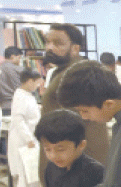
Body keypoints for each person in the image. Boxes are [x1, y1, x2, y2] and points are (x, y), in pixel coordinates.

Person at [41, 24, 109, 175]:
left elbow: (76, 122)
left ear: (75, 48)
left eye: (58, 43)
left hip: (77, 162)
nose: (50, 47)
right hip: (64, 157)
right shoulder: (62, 71)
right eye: (48, 42)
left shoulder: (80, 73)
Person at [12, 110, 103, 187]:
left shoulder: (95, 171)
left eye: (61, 149)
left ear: (81, 145)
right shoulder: (52, 167)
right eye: (47, 149)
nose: (53, 155)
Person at [8, 69, 43, 187]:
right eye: (36, 82)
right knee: (26, 174)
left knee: (31, 174)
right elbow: (19, 119)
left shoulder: (27, 95)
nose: (38, 85)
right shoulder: (20, 96)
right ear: (29, 81)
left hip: (30, 138)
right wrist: (28, 138)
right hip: (24, 140)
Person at [0, 46, 23, 116]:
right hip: (19, 105)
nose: (20, 60)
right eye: (19, 58)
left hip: (4, 106)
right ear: (13, 57)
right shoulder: (19, 70)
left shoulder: (1, 68)